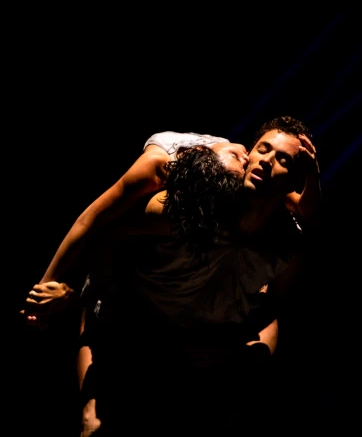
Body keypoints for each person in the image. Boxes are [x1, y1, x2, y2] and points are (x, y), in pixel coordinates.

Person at [21, 117, 321, 433]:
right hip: (183, 188)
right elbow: (96, 226)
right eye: (263, 150)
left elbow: (305, 216)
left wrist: (226, 342)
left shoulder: (265, 198)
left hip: (202, 314)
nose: (263, 160)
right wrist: (53, 285)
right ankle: (93, 415)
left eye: (283, 159)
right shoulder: (166, 175)